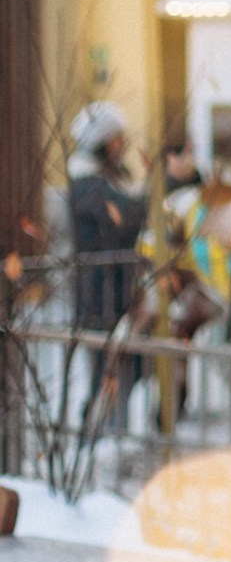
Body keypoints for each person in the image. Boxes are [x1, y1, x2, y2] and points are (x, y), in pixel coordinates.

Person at [66, 102, 144, 424]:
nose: (121, 144)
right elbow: (124, 219)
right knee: (104, 371)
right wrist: (150, 193)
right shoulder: (87, 184)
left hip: (121, 290)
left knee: (130, 366)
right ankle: (96, 433)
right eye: (115, 138)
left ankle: (111, 428)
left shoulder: (114, 177)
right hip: (99, 293)